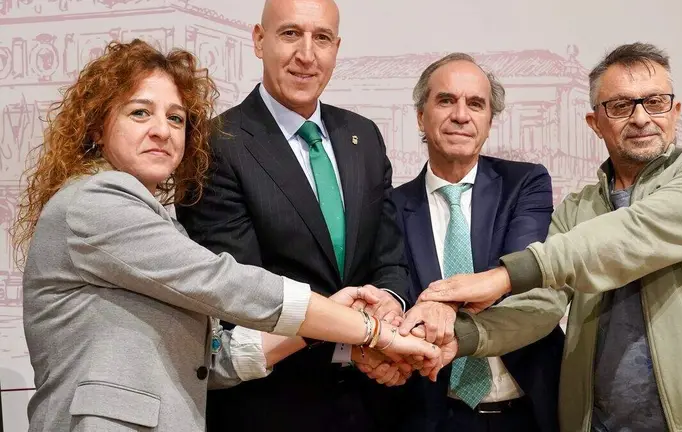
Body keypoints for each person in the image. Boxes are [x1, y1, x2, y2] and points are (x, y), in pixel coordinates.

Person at [14, 39, 438, 432]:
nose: (162, 130)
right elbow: (223, 282)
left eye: (176, 118)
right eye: (140, 112)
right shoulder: (95, 202)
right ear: (95, 127)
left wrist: (319, 325)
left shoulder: (159, 222)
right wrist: (373, 331)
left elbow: (211, 362)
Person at [418, 42, 682, 431]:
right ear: (595, 122)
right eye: (620, 106)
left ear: (675, 111)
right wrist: (458, 337)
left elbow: (634, 233)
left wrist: (504, 275)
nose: (641, 118)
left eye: (655, 102)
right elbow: (540, 307)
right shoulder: (577, 209)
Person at [175, 0, 414, 430]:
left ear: (336, 48)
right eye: (290, 34)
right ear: (258, 40)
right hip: (274, 403)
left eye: (322, 38)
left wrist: (390, 313)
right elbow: (241, 293)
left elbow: (390, 256)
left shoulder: (363, 135)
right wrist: (361, 334)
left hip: (374, 399)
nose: (306, 54)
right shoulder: (216, 145)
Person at [389, 53, 564, 432]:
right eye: (446, 100)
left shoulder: (526, 183)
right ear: (420, 116)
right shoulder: (391, 207)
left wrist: (441, 304)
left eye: (475, 104)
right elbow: (396, 295)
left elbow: (518, 272)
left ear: (489, 122)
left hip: (529, 409)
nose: (461, 115)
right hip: (434, 413)